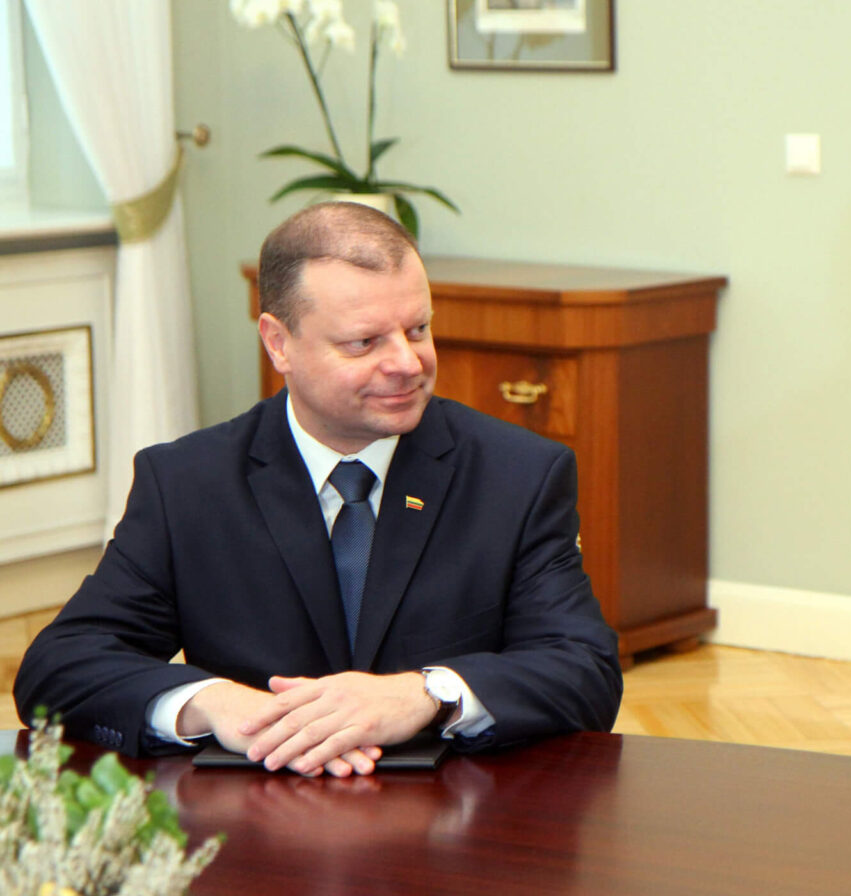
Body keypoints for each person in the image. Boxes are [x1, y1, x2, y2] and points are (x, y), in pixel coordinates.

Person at [15, 202, 623, 777]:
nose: (408, 363)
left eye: (417, 329)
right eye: (364, 342)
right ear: (278, 342)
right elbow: (59, 665)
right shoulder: (188, 483)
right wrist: (214, 704)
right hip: (256, 826)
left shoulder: (517, 475)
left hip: (460, 826)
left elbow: (583, 670)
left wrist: (424, 693)